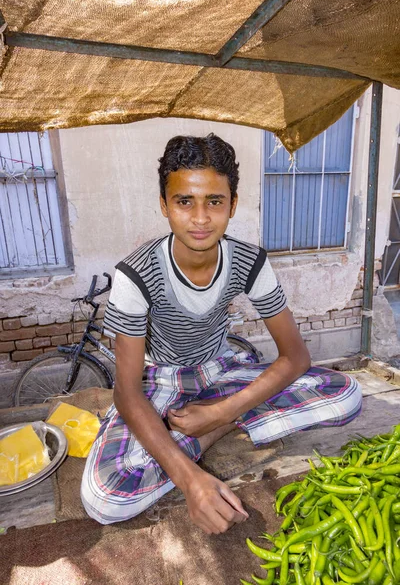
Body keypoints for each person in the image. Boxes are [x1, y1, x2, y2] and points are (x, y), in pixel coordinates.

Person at [81, 133, 362, 534]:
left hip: (222, 370)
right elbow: (126, 392)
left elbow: (295, 356)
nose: (200, 218)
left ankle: (211, 429)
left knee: (348, 395)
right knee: (104, 500)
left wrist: (220, 413)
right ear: (164, 205)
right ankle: (200, 438)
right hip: (160, 381)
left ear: (233, 203)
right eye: (184, 202)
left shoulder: (249, 261)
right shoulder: (136, 274)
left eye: (214, 201)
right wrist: (191, 480)